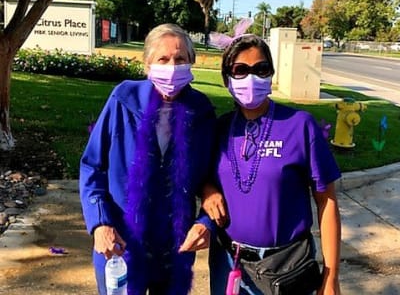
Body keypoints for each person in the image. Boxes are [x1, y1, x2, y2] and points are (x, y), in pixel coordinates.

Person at [79, 23, 216, 295]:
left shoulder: (201, 111)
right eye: (163, 59)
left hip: (175, 249)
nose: (172, 67)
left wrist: (205, 222)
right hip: (121, 244)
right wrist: (99, 223)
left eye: (180, 59)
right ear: (147, 65)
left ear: (191, 64)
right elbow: (92, 167)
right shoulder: (123, 99)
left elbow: (213, 175)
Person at [202, 34, 342, 295]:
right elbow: (202, 174)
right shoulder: (219, 128)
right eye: (240, 70)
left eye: (261, 69)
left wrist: (331, 275)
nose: (251, 78)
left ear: (271, 74)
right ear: (226, 79)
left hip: (286, 267)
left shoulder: (300, 125)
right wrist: (208, 190)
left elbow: (327, 201)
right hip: (228, 262)